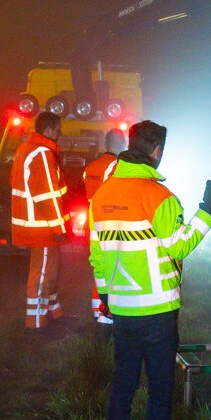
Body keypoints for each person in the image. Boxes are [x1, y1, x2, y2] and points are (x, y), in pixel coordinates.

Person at [89, 120, 211, 420]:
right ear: (157, 151)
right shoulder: (159, 197)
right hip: (157, 309)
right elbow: (180, 246)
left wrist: (105, 295)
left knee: (123, 378)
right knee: (160, 383)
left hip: (121, 307)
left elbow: (97, 254)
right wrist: (208, 209)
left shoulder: (101, 196)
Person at [10, 111, 67, 330]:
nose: (60, 134)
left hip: (35, 224)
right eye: (58, 130)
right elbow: (47, 196)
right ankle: (35, 324)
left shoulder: (25, 149)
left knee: (50, 270)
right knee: (42, 274)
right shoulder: (42, 153)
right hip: (42, 227)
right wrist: (59, 228)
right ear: (48, 130)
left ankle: (54, 312)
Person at [83, 129, 128, 332]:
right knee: (110, 268)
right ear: (122, 144)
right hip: (108, 223)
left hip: (92, 222)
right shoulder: (116, 167)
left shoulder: (90, 167)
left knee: (98, 267)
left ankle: (97, 311)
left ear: (105, 143)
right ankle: (105, 314)